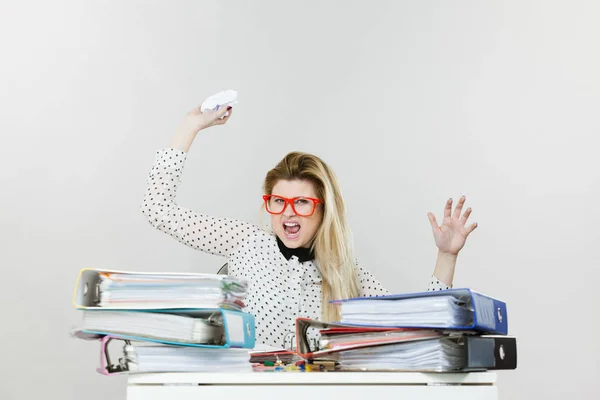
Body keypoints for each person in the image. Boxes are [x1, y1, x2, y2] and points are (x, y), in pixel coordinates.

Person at [141, 104, 478, 348]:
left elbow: (421, 327)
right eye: (279, 201)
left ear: (323, 210)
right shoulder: (243, 242)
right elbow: (157, 209)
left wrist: (446, 255)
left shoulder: (347, 273)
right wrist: (190, 126)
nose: (289, 214)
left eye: (302, 202)